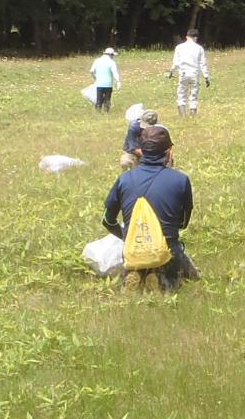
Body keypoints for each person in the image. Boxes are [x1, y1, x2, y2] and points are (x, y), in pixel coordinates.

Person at [103, 124, 198, 290]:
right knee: (192, 275)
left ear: (141, 151)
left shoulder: (124, 179)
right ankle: (161, 278)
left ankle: (138, 275)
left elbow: (107, 220)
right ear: (168, 151)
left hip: (134, 250)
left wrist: (127, 236)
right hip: (168, 250)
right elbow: (182, 223)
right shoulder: (181, 180)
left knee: (136, 259)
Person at [169, 29, 211, 116]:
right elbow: (203, 64)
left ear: (187, 37)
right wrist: (206, 77)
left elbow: (176, 63)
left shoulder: (179, 47)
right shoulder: (199, 48)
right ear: (196, 38)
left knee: (181, 94)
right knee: (194, 95)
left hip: (183, 73)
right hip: (195, 74)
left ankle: (183, 116)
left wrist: (171, 72)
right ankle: (193, 116)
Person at [89, 47, 120, 113]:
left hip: (99, 84)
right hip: (108, 85)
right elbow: (115, 73)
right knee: (107, 100)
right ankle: (106, 112)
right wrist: (118, 82)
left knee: (99, 100)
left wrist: (95, 78)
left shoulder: (97, 61)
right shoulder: (111, 62)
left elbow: (91, 71)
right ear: (111, 55)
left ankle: (98, 112)